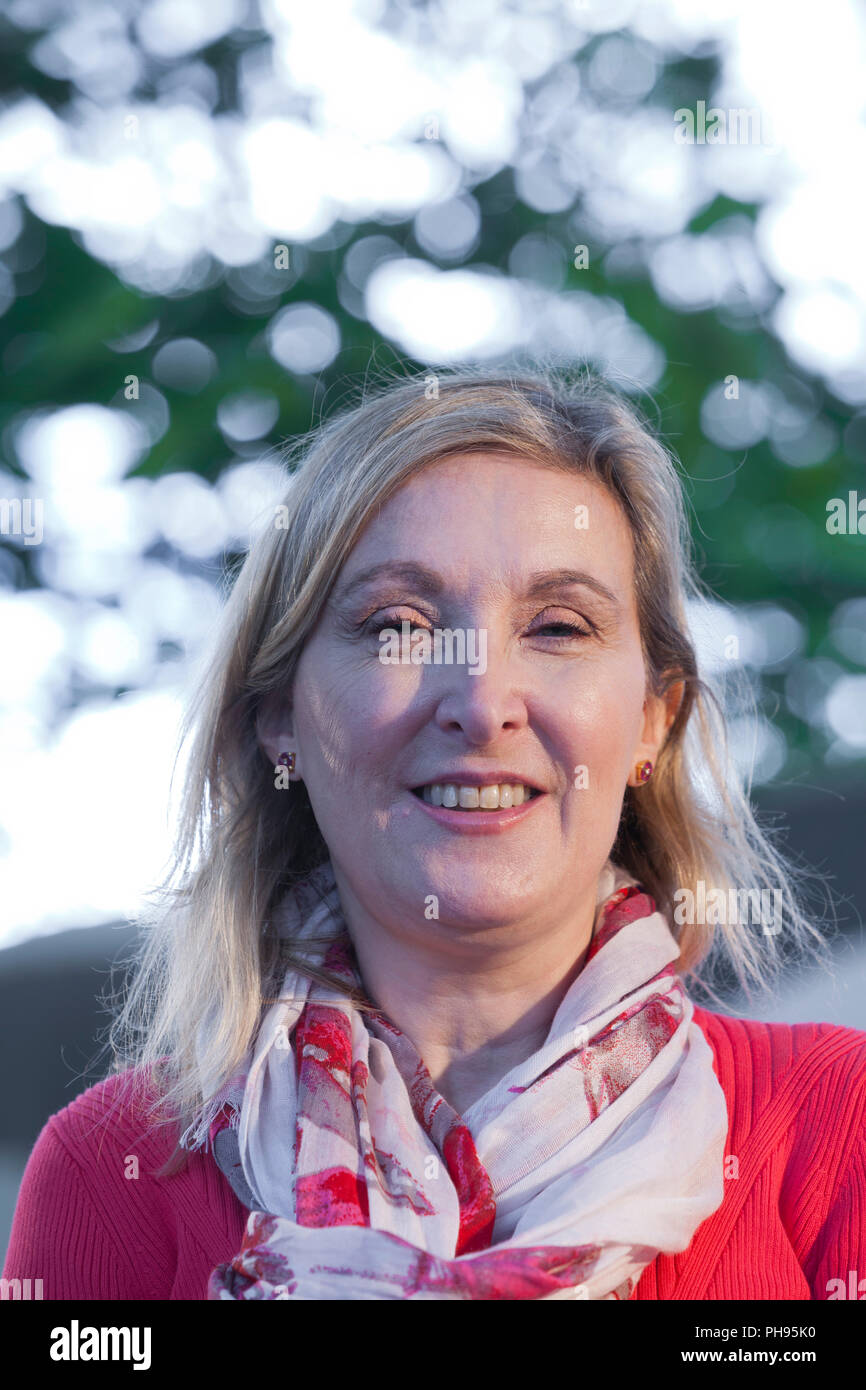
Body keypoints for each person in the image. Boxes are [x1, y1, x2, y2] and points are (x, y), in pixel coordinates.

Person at [4, 369, 865, 1300]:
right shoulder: (110, 1172)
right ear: (279, 718)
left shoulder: (833, 1123)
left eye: (559, 626)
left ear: (653, 721)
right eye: (399, 626)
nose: (484, 702)